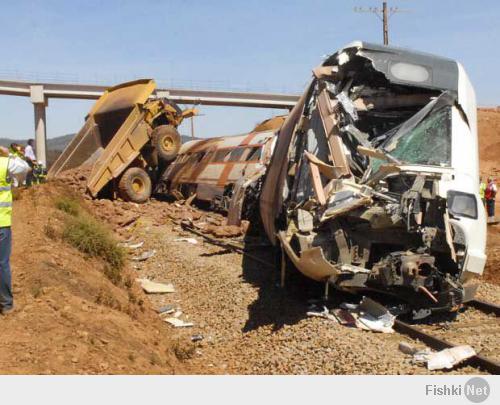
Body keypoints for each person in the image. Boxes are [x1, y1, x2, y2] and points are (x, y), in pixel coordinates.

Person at [0, 145, 31, 315]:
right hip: (1, 223)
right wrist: (10, 153)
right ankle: (6, 305)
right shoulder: (5, 163)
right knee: (2, 263)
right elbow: (25, 167)